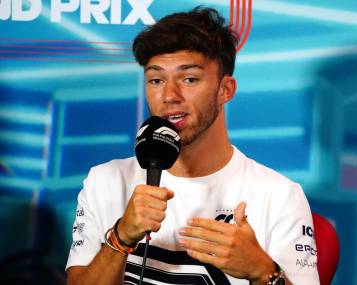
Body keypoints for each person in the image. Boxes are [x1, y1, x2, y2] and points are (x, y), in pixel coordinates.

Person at [66, 6, 319, 285]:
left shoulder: (279, 196)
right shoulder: (105, 180)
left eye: (189, 79)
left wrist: (262, 271)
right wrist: (121, 237)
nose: (169, 96)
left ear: (225, 90)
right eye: (156, 80)